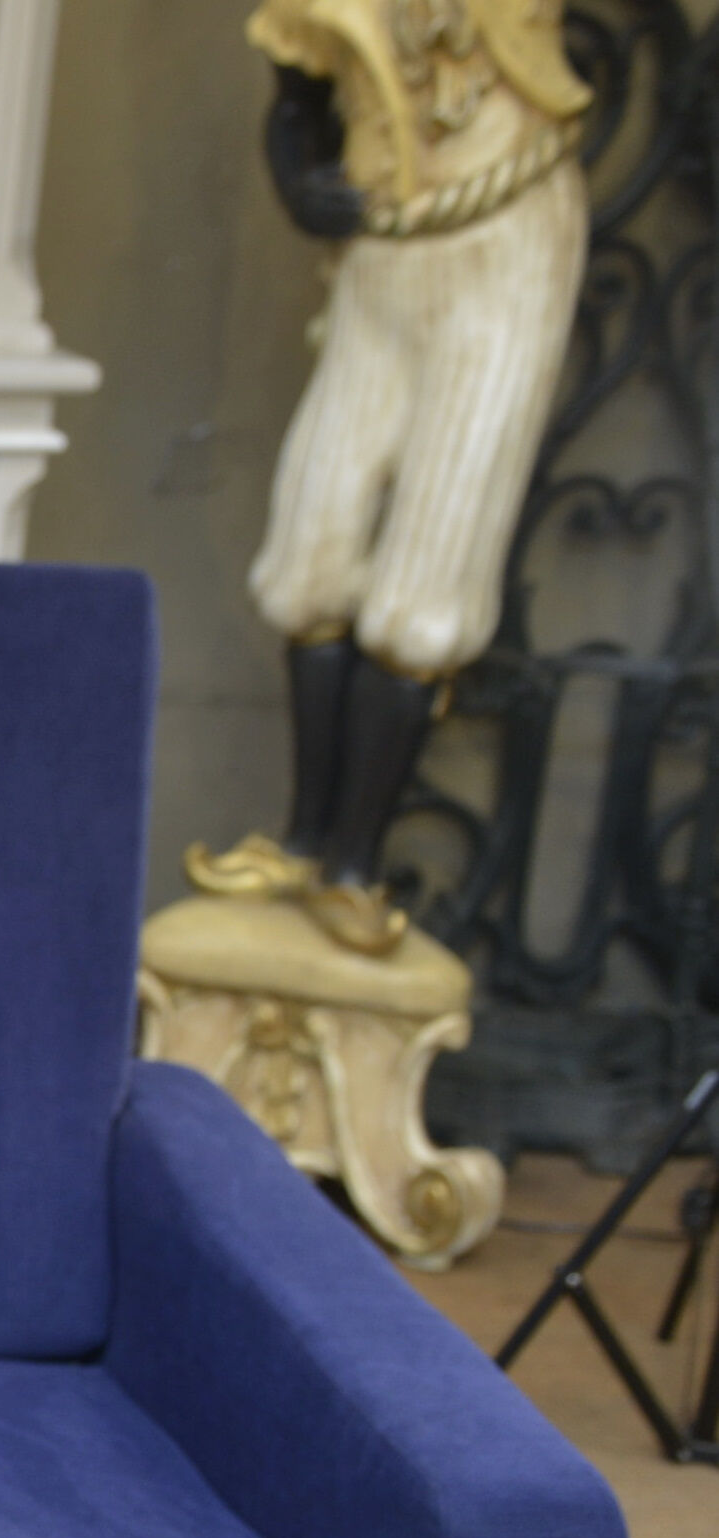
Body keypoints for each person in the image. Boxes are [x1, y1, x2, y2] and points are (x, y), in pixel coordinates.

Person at [197, 0, 591, 954]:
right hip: (378, 255)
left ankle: (351, 865)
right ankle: (301, 842)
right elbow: (296, 101)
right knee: (310, 553)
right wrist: (297, 179)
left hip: (503, 248)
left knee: (427, 581)